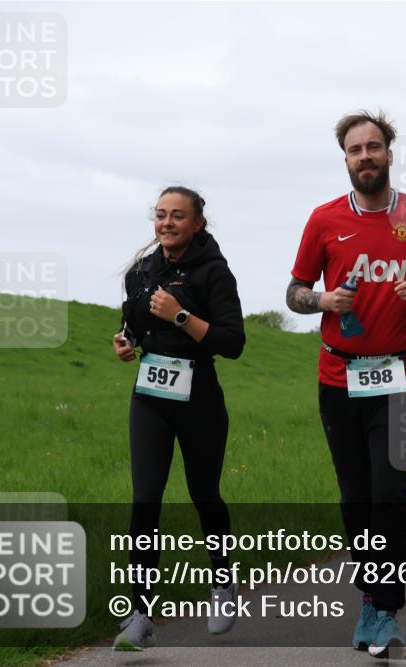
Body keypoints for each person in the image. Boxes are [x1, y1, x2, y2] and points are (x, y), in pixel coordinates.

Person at [285, 110, 406, 659]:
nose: (366, 157)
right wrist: (322, 300)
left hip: (400, 374)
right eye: (355, 149)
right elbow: (294, 291)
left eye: (374, 147)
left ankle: (385, 610)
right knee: (355, 498)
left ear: (389, 152)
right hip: (339, 374)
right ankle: (369, 596)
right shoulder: (323, 220)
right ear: (345, 159)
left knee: (391, 491)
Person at [112, 186, 246, 650]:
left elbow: (232, 343)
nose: (166, 223)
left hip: (200, 401)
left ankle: (223, 585)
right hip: (149, 398)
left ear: (197, 223)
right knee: (145, 499)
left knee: (204, 494)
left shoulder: (214, 272)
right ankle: (140, 613)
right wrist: (127, 344)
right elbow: (133, 325)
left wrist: (182, 314)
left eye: (177, 216)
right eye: (161, 215)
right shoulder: (141, 271)